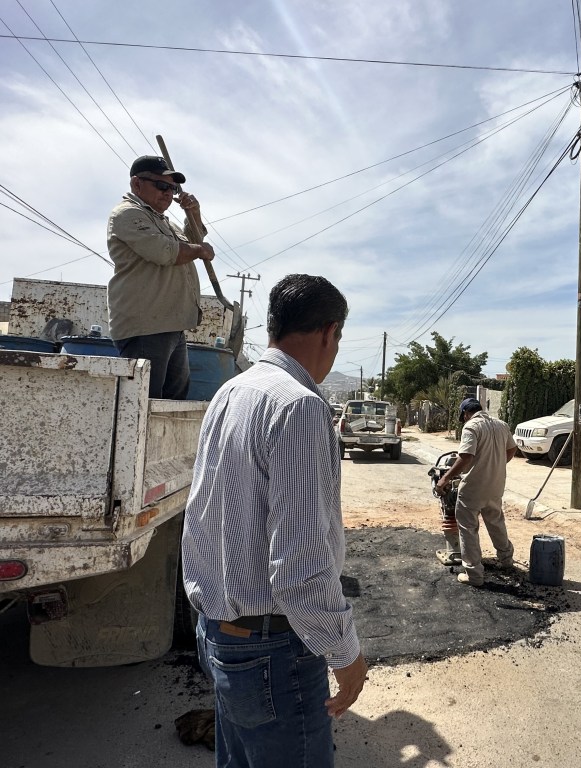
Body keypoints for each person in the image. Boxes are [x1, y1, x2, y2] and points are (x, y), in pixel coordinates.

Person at [182, 274, 367, 767]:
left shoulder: (230, 393)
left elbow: (200, 517)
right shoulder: (299, 406)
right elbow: (301, 565)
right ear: (329, 332)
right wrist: (345, 654)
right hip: (273, 648)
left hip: (218, 631)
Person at [107, 155, 216, 399]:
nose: (168, 193)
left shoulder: (163, 222)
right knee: (144, 403)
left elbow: (191, 240)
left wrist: (194, 214)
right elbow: (166, 252)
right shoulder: (127, 214)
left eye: (172, 188)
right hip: (146, 326)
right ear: (137, 184)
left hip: (169, 324)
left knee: (170, 404)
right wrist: (200, 250)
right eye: (161, 185)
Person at [435, 397, 517, 586]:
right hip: (496, 484)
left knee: (468, 528)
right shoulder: (501, 425)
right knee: (496, 521)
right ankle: (506, 560)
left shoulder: (471, 427)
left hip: (474, 487)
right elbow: (512, 449)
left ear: (465, 413)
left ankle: (474, 574)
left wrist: (445, 479)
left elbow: (465, 457)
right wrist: (495, 465)